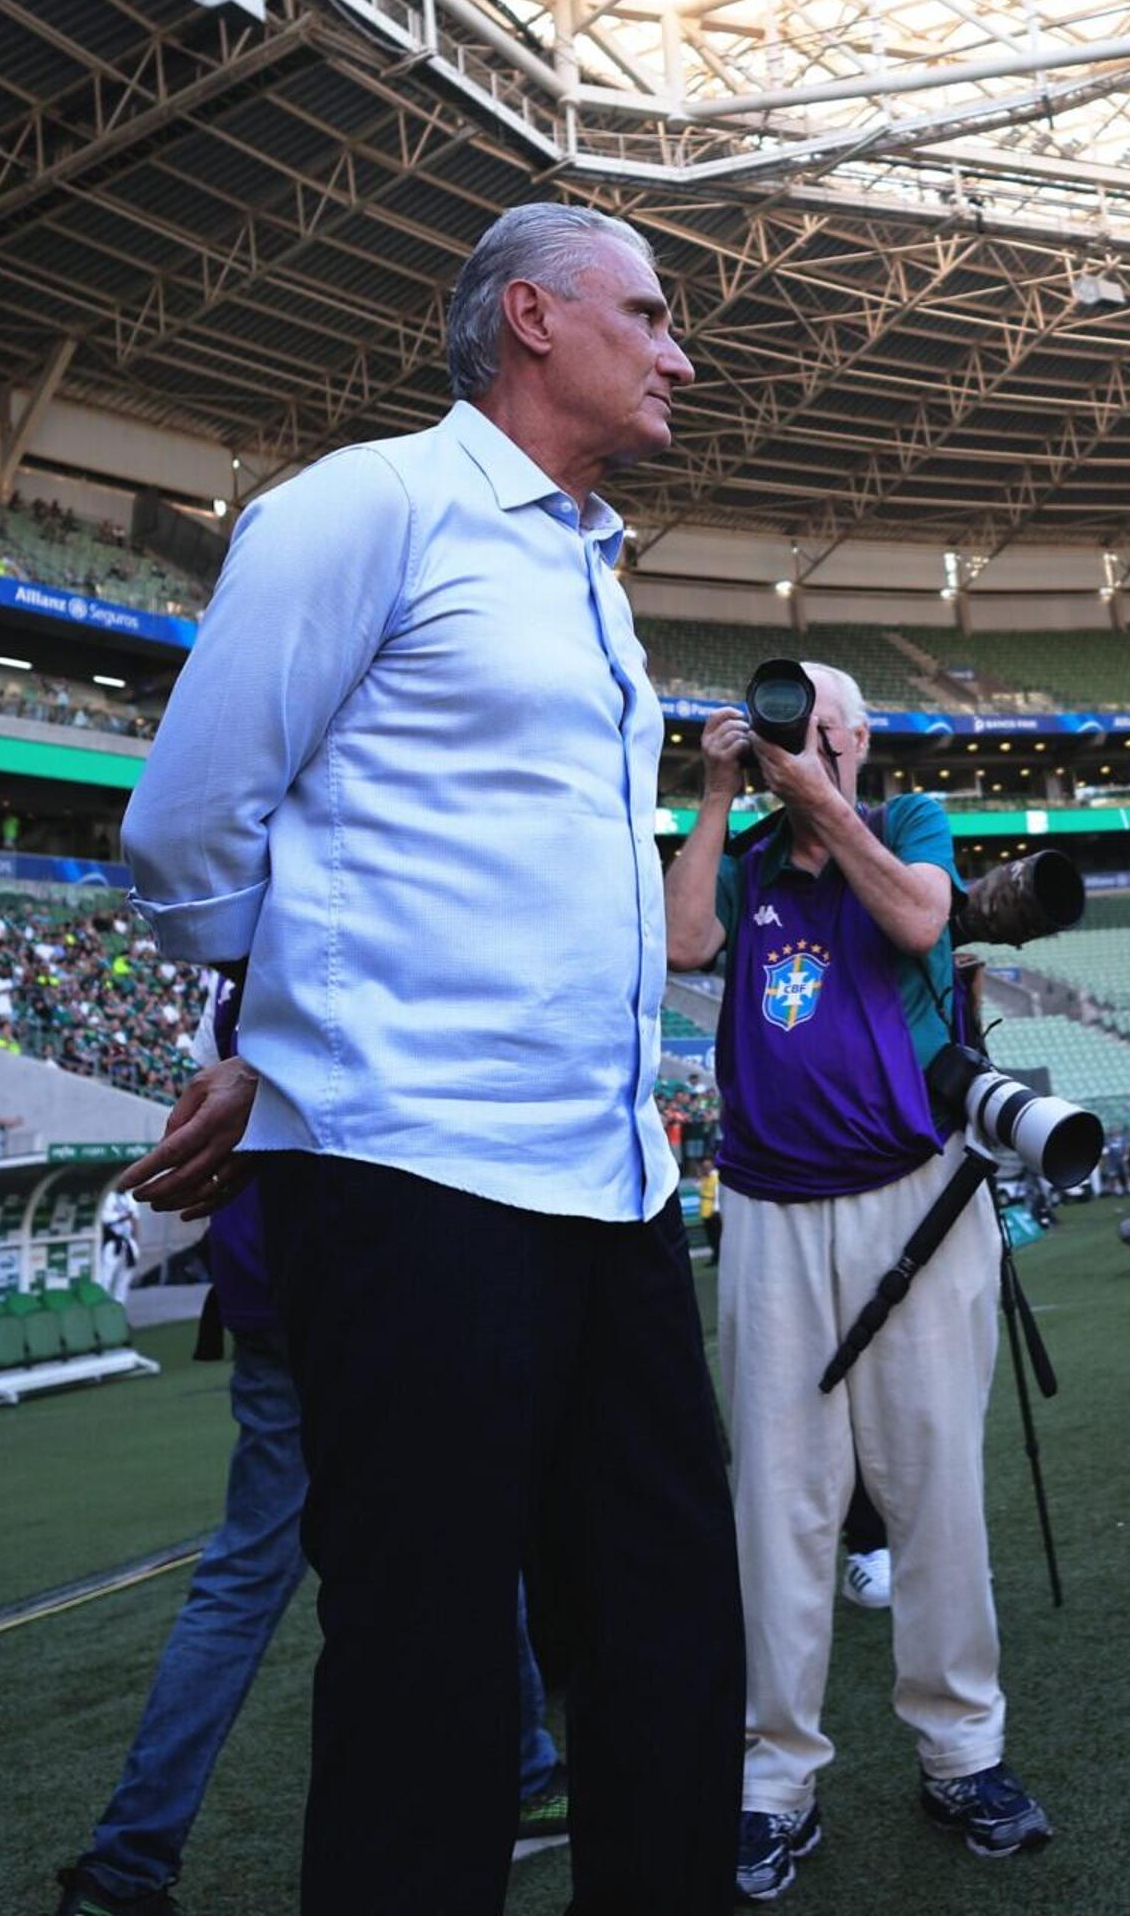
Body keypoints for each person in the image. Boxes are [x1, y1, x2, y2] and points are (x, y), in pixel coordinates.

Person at [114, 199, 737, 1910]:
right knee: (428, 1674)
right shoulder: (366, 508)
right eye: (652, 314)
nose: (680, 352)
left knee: (670, 1633)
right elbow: (184, 830)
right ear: (533, 317)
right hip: (409, 1183)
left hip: (612, 1184)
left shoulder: (590, 571)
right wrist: (298, 1025)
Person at [664, 659, 1051, 1897]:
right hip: (773, 1209)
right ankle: (773, 1780)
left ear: (858, 737)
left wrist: (824, 801)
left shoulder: (905, 824)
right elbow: (680, 942)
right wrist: (721, 794)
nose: (797, 742)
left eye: (817, 726)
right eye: (784, 726)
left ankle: (963, 1754)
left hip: (915, 1200)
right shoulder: (746, 857)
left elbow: (922, 920)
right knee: (777, 1504)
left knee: (933, 1481)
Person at [57, 1166, 571, 1916]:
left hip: (268, 1278)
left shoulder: (222, 1041)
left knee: (242, 1581)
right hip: (385, 1263)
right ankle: (526, 1778)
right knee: (470, 1528)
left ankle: (124, 1865)